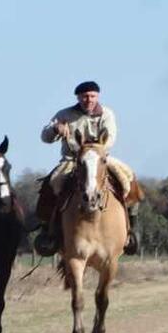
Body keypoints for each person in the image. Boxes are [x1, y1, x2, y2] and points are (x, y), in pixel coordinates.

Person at [35, 81, 140, 256]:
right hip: (73, 160)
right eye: (84, 96)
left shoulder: (107, 114)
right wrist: (56, 128)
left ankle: (131, 230)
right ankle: (49, 231)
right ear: (78, 97)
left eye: (92, 96)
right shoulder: (64, 114)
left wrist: (97, 149)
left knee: (127, 178)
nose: (88, 100)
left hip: (100, 158)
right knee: (53, 183)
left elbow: (110, 137)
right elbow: (45, 136)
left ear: (97, 97)